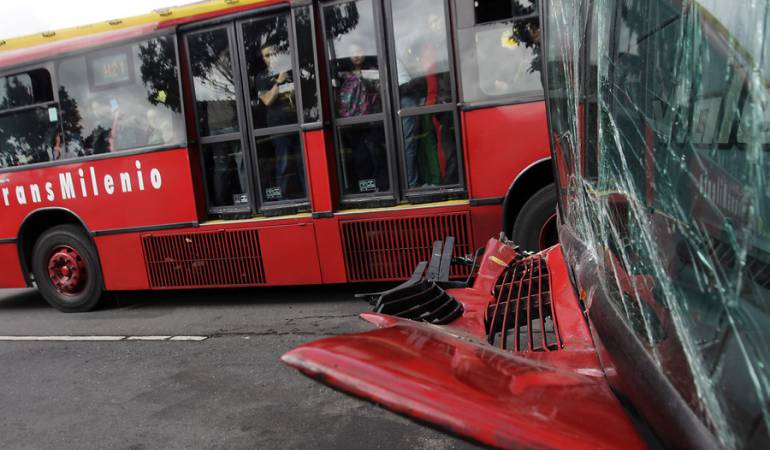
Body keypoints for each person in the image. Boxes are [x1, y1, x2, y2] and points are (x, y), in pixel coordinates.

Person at [336, 44, 387, 192]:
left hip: (374, 120)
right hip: (354, 124)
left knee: (377, 154)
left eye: (359, 51)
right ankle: (365, 187)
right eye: (353, 53)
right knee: (361, 157)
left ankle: (382, 186)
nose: (357, 55)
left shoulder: (372, 72)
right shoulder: (342, 75)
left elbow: (380, 92)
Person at [255, 44, 303, 200]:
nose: (271, 58)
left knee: (303, 161)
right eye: (267, 56)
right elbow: (267, 100)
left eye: (273, 54)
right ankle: (284, 199)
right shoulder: (262, 77)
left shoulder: (290, 70)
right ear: (263, 59)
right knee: (283, 162)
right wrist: (279, 82)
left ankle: (308, 194)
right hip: (278, 126)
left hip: (297, 122)